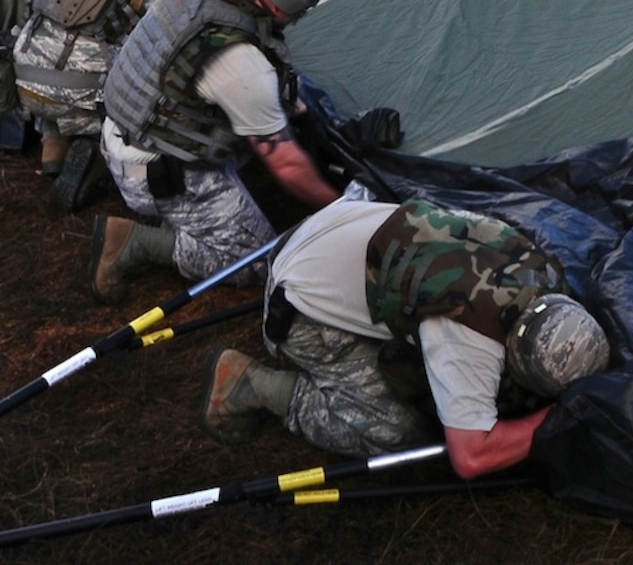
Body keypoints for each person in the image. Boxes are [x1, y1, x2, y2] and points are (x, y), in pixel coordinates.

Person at [199, 195, 611, 479]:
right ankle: (255, 384)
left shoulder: (543, 272)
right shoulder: (470, 339)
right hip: (298, 304)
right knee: (396, 431)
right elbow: (471, 456)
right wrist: (557, 417)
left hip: (327, 227)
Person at [85, 0, 343, 303]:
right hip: (155, 173)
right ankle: (138, 242)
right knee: (256, 262)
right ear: (287, 3)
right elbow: (287, 166)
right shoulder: (241, 65)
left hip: (121, 130)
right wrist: (341, 208)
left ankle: (181, 213)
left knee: (258, 125)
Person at [13, 0, 186, 209]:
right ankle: (96, 157)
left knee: (61, 47)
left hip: (23, 73)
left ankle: (53, 141)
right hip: (82, 95)